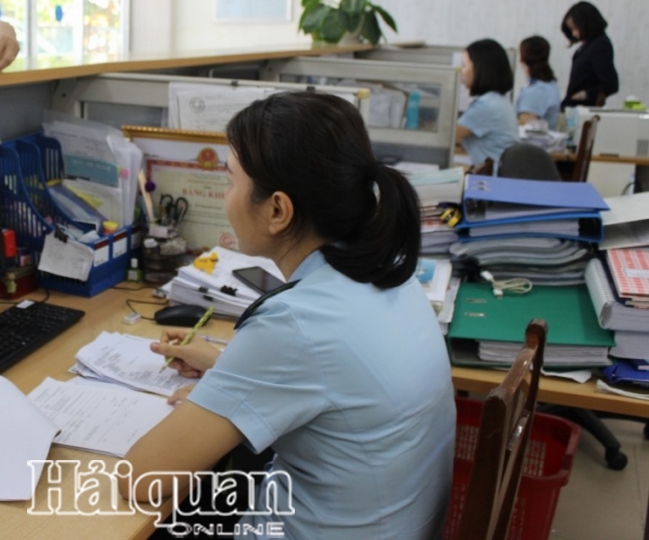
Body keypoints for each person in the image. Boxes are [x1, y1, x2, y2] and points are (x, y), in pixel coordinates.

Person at [120, 91, 456, 539]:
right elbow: (337, 381)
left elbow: (141, 477)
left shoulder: (297, 324)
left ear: (278, 209)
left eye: (231, 181)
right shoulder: (393, 277)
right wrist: (228, 373)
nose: (227, 197)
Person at [455, 38, 519, 169]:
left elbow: (449, 135)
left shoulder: (486, 106)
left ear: (480, 68)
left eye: (465, 65)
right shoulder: (496, 99)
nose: (462, 71)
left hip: (494, 179)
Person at [560, 1, 618, 108]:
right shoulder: (587, 46)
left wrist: (584, 95)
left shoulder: (600, 45)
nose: (574, 34)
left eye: (575, 28)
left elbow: (611, 84)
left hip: (583, 109)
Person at [515, 35, 561, 129]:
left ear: (522, 59)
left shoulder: (536, 91)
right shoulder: (550, 85)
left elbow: (525, 125)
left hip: (532, 142)